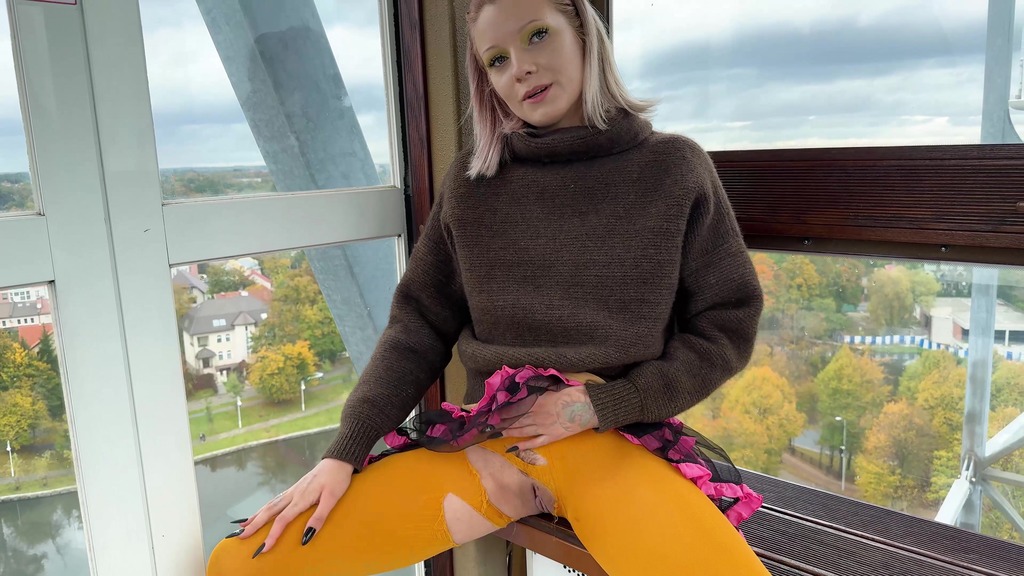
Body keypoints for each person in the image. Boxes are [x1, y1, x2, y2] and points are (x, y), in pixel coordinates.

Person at [206, 0, 767, 573]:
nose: (519, 68)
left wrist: (602, 405)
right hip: (488, 447)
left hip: (613, 441)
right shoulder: (475, 182)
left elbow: (725, 325)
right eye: (497, 59)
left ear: (584, 33)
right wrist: (345, 451)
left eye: (537, 35)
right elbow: (418, 327)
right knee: (242, 563)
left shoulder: (674, 168)